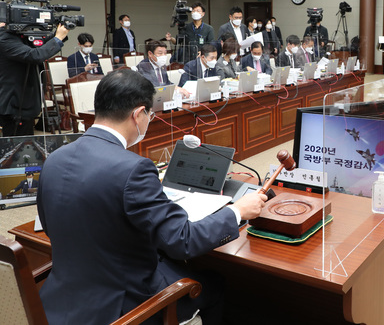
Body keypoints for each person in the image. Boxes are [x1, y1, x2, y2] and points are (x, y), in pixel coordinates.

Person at [36, 69, 267, 324]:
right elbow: (183, 241)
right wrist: (237, 211)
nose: (149, 120)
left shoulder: (55, 158)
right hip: (124, 306)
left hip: (61, 299)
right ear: (138, 114)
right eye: (150, 114)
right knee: (214, 283)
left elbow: (50, 226)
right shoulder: (133, 168)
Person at [0, 23, 69, 136]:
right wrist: (57, 39)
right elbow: (34, 55)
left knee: (26, 145)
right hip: (14, 104)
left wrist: (58, 33)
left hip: (24, 102)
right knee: (17, 147)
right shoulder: (4, 38)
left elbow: (38, 44)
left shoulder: (17, 36)